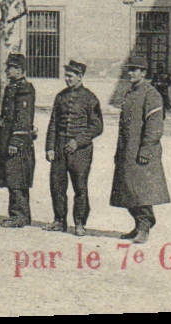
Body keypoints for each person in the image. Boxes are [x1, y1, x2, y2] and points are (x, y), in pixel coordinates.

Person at [109, 60, 169, 243]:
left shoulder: (151, 94)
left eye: (135, 71)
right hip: (127, 150)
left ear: (143, 73)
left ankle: (144, 228)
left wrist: (146, 149)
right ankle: (138, 225)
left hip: (141, 151)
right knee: (128, 190)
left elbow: (154, 126)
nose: (131, 74)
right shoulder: (131, 93)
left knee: (141, 191)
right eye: (129, 70)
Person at [45, 59, 103, 236]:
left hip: (80, 151)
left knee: (80, 187)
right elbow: (53, 123)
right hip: (60, 147)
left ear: (80, 77)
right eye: (66, 76)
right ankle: (59, 220)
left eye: (70, 76)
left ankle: (79, 223)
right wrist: (50, 147)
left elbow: (97, 126)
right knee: (57, 185)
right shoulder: (60, 96)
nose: (67, 79)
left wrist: (77, 141)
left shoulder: (90, 98)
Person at [0, 53, 37, 227]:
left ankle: (19, 216)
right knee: (11, 176)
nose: (7, 70)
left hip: (18, 141)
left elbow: (23, 118)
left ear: (19, 69)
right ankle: (19, 214)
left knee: (17, 177)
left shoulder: (25, 88)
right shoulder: (12, 87)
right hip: (7, 137)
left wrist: (15, 142)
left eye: (10, 67)